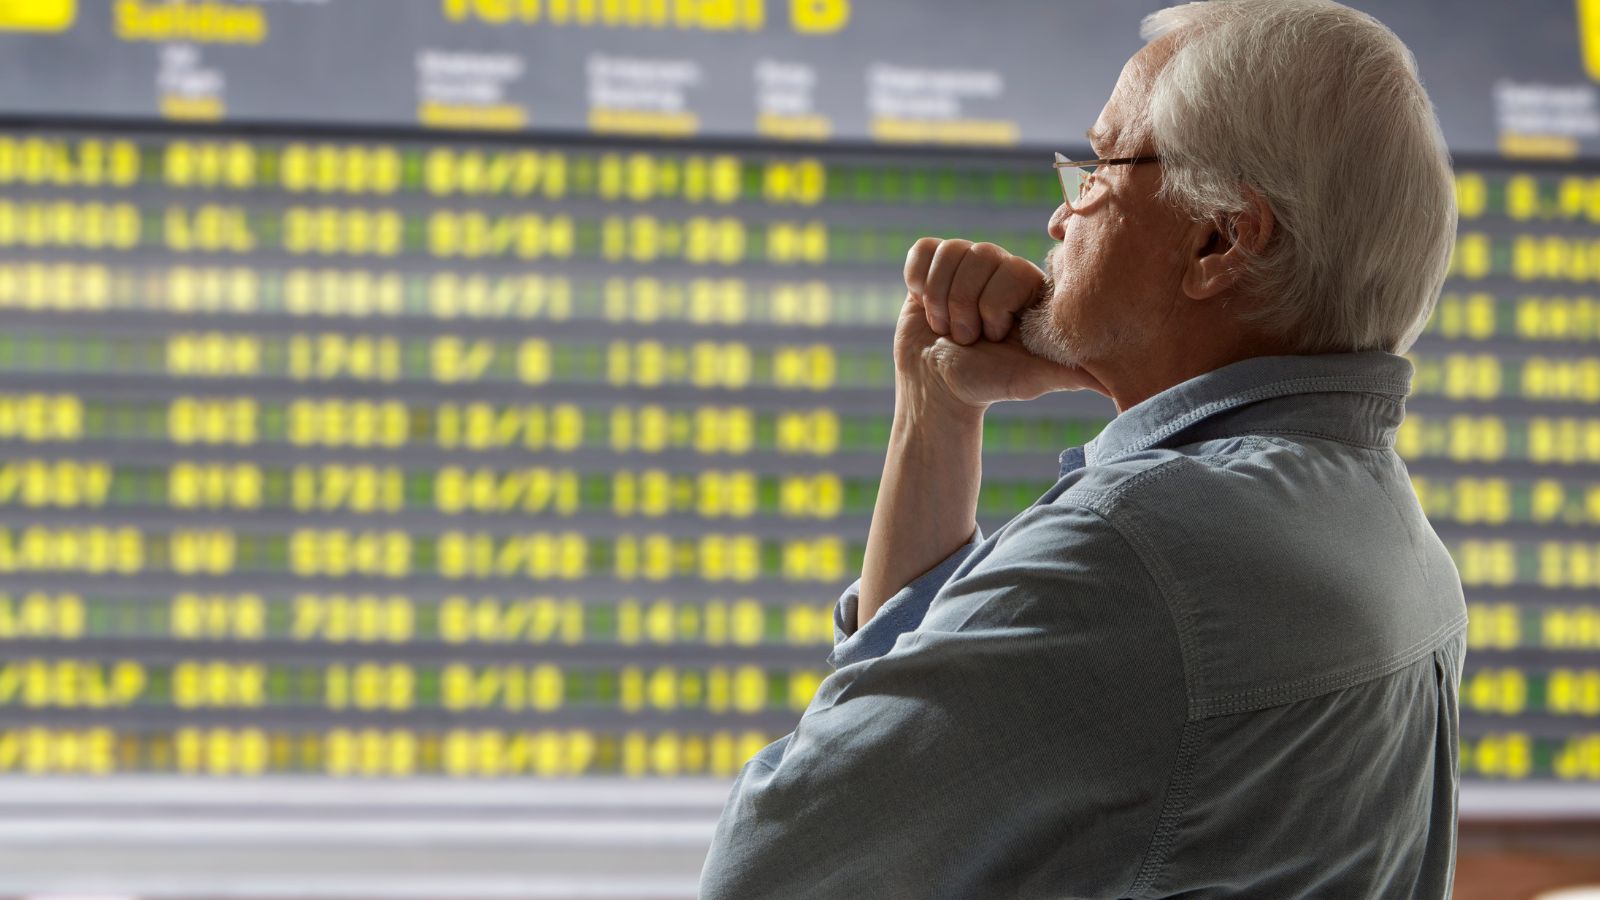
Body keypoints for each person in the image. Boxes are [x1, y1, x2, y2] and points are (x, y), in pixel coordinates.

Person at [699, 0, 1464, 896]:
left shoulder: (1137, 551)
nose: (1062, 217)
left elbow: (776, 864)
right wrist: (935, 407)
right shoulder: (1396, 535)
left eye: (1100, 167)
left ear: (1219, 238)